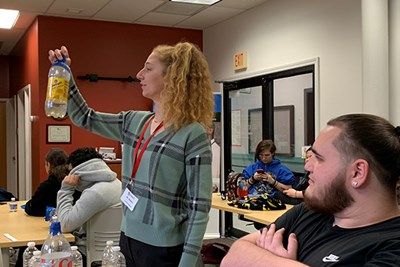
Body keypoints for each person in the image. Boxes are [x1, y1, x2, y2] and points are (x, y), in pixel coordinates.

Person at [49, 42, 214, 267]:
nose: (139, 75)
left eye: (148, 68)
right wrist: (65, 76)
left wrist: (188, 261)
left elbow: (199, 208)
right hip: (127, 238)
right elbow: (85, 117)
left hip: (165, 249)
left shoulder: (192, 134)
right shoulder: (135, 121)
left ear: (172, 76)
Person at [221, 113, 400, 267]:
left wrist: (268, 261)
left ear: (357, 172)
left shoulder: (392, 248)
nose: (308, 166)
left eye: (319, 158)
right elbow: (232, 257)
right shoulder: (310, 211)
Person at [56, 147, 121, 256]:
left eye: (71, 172)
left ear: (80, 172)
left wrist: (66, 190)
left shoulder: (95, 193)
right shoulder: (118, 184)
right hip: (115, 254)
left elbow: (64, 224)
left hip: (90, 254)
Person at [25, 148, 69, 216]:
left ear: (49, 165)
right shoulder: (73, 183)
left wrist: (28, 204)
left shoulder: (46, 186)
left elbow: (32, 208)